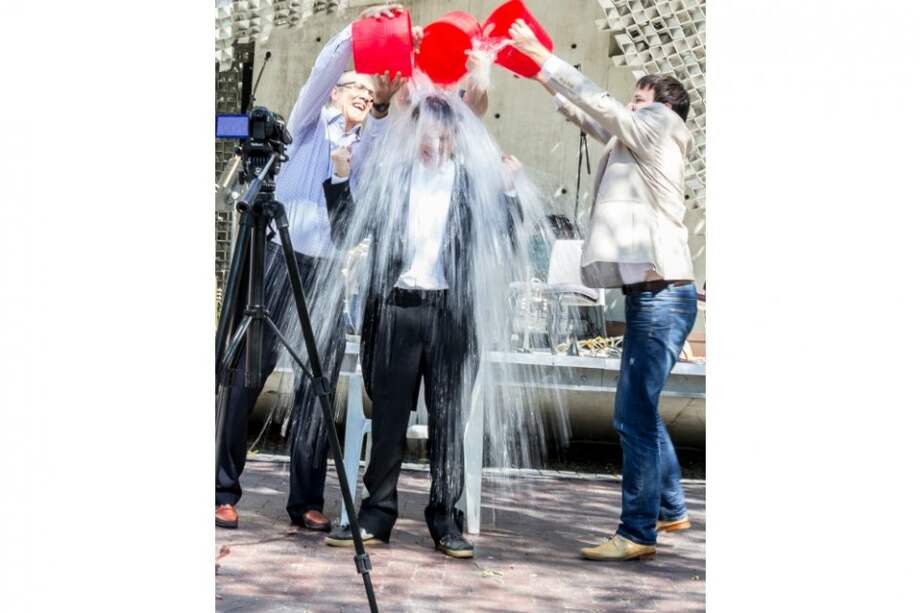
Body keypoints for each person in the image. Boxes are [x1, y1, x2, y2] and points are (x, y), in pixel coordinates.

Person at [509, 19, 699, 561]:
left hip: (661, 298)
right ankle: (671, 509)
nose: (630, 107)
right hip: (657, 297)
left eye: (638, 100)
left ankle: (637, 533)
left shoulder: (658, 129)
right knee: (642, 408)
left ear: (660, 107)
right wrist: (542, 76)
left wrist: (542, 58)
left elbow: (604, 105)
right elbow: (590, 113)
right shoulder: (636, 141)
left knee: (631, 416)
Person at [215, 3, 409, 532]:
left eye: (370, 96)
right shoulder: (303, 126)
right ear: (334, 95)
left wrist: (384, 108)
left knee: (317, 386)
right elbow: (326, 65)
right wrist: (359, 30)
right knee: (247, 375)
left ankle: (305, 502)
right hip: (279, 257)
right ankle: (222, 489)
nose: (363, 99)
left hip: (326, 271)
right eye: (355, 92)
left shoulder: (366, 145)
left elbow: (381, 142)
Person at [320, 94, 523, 559]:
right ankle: (376, 514)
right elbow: (346, 230)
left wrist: (509, 189)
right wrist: (341, 178)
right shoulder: (390, 181)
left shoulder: (474, 185)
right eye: (424, 135)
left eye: (441, 135)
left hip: (451, 315)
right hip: (395, 309)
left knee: (449, 421)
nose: (432, 143)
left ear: (455, 137)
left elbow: (506, 241)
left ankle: (445, 519)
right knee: (388, 421)